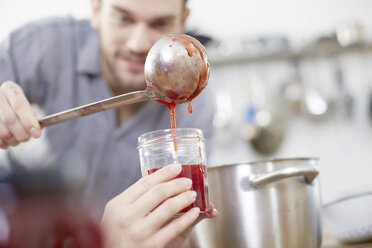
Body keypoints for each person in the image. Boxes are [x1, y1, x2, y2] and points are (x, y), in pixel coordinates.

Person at [0, 0, 218, 247]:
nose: (138, 44)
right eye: (123, 19)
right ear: (96, 10)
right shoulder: (44, 46)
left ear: (183, 21)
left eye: (161, 23)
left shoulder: (194, 102)